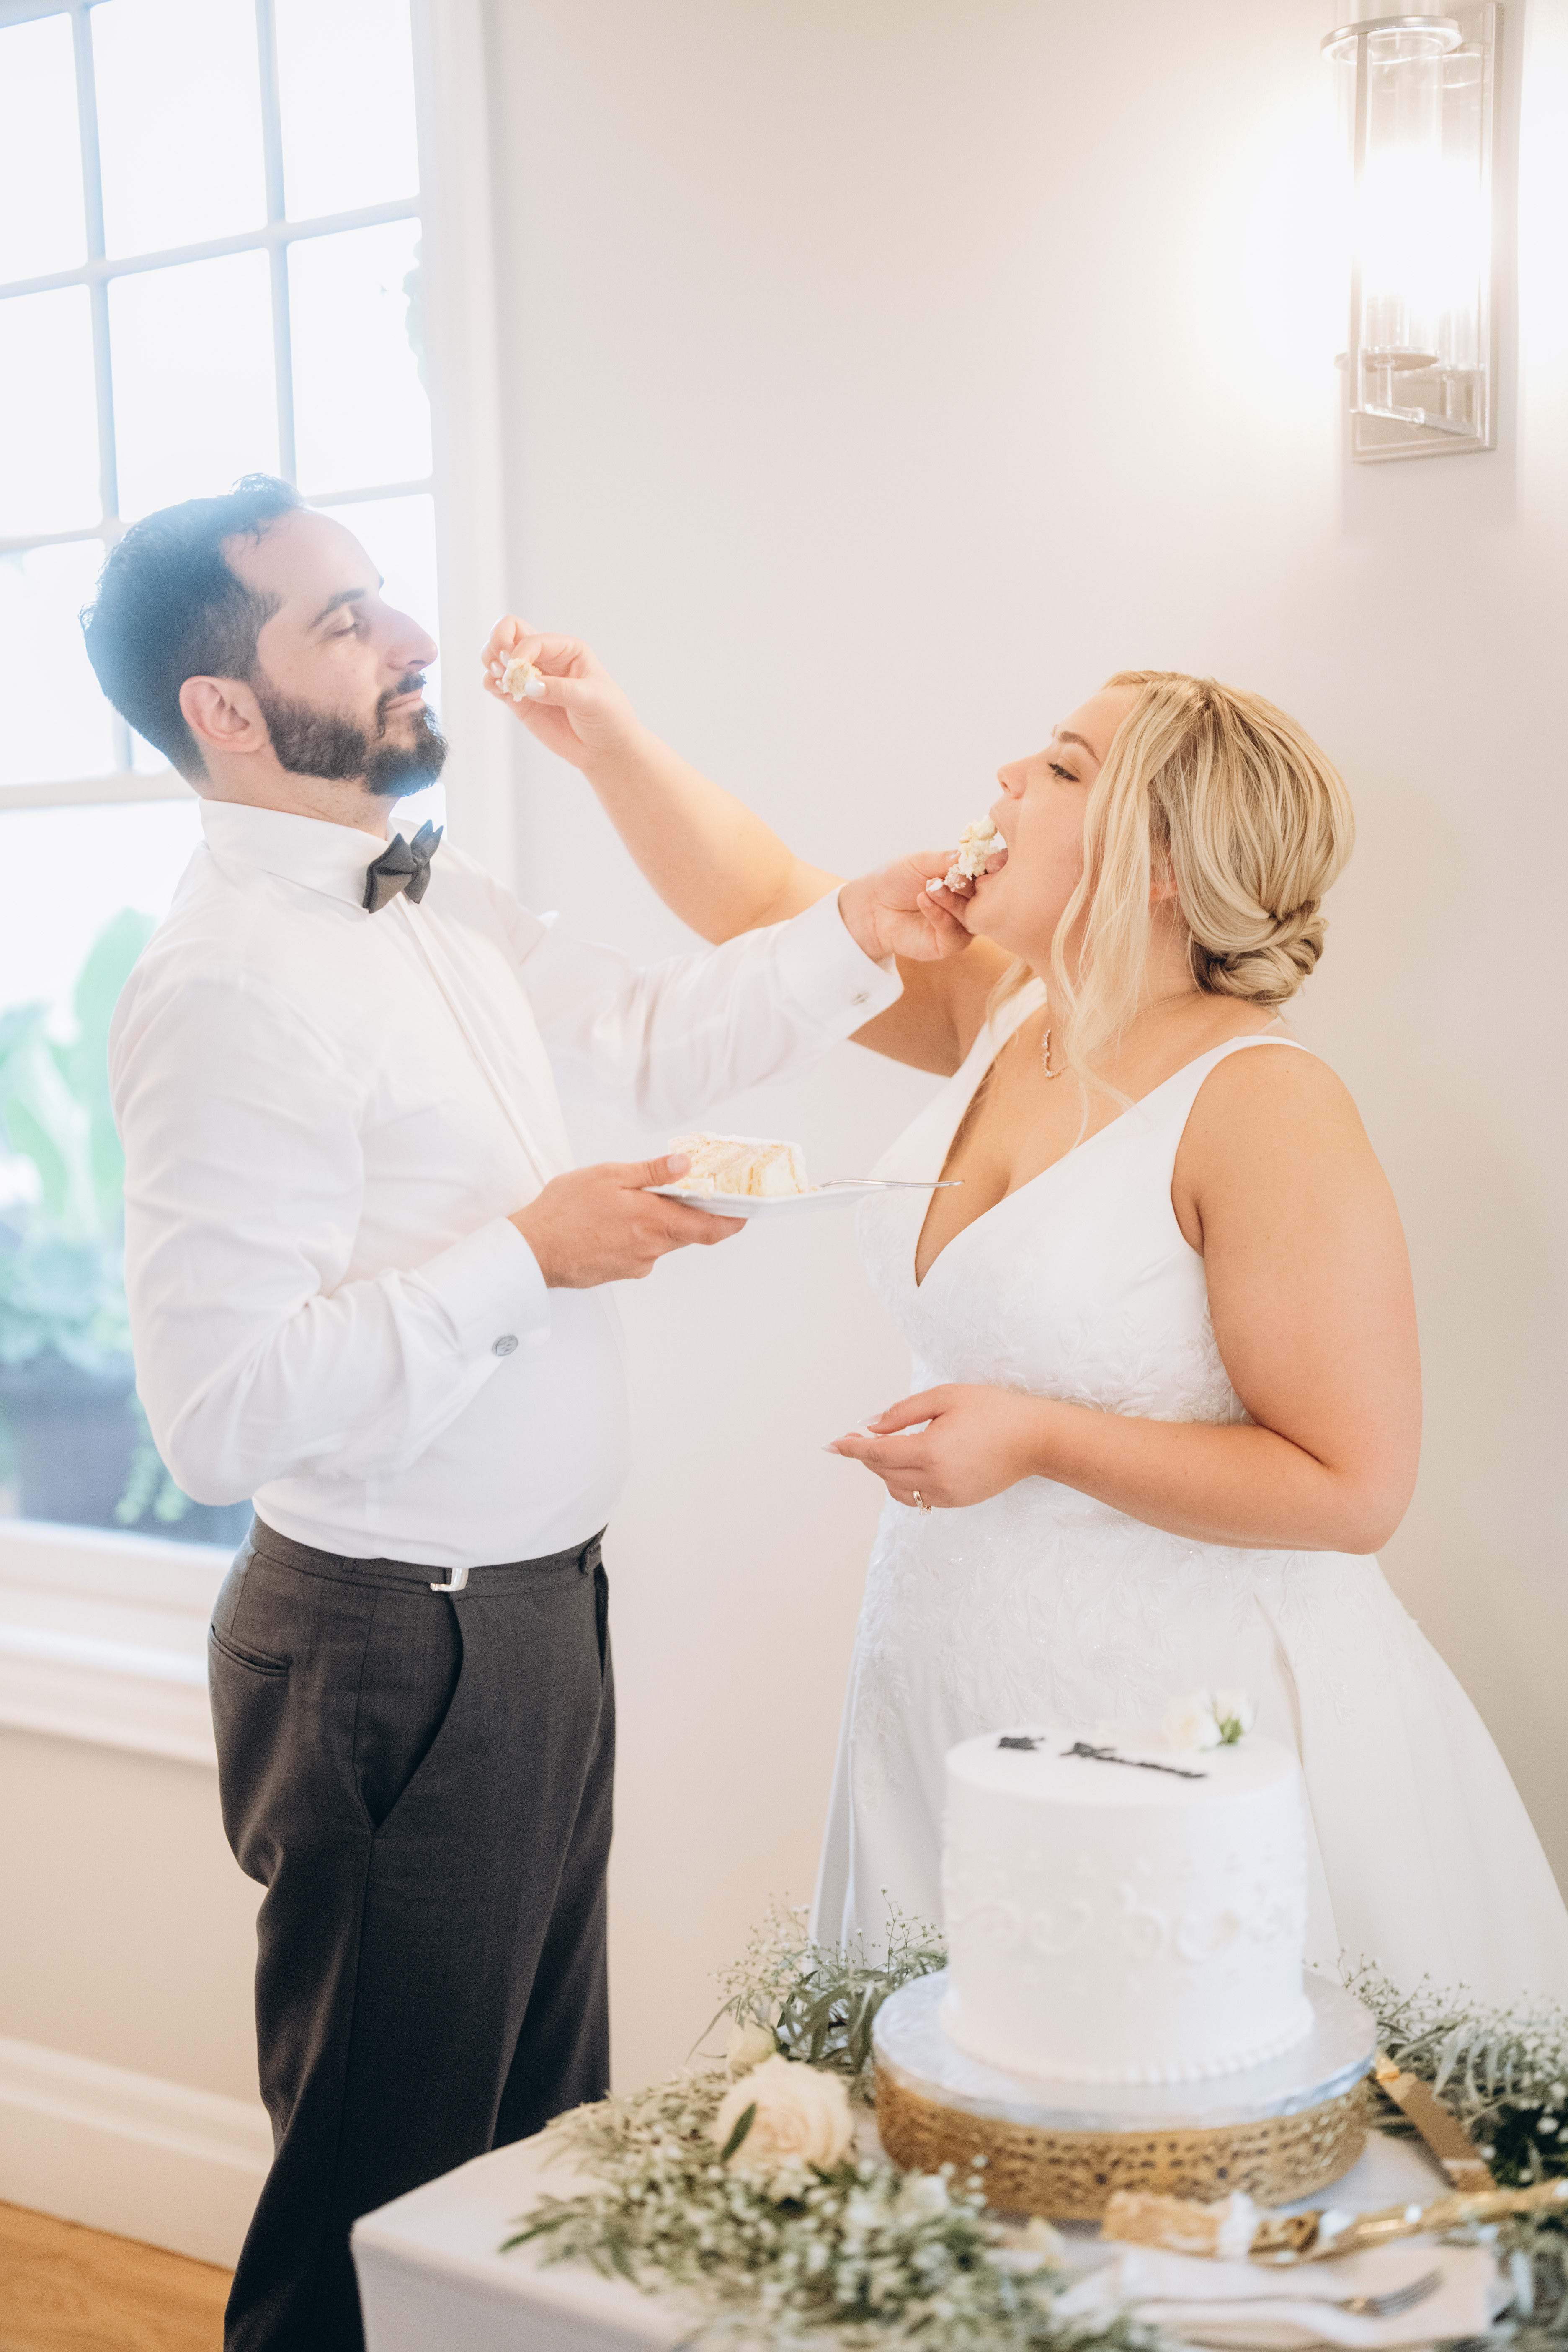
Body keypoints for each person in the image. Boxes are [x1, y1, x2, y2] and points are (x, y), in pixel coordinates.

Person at [83, 477, 959, 2352]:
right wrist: (530, 1253)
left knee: (527, 2179)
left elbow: (646, 1035)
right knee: (378, 2209)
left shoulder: (429, 890)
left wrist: (858, 928)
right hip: (394, 1649)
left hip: (539, 1612)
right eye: (343, 622)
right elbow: (219, 1417)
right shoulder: (223, 985)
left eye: (383, 597)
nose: (410, 639)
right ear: (226, 709)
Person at [481, 618, 1568, 2009]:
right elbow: (764, 901)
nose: (1004, 775)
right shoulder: (1005, 1012)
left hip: (1187, 1726)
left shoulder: (1265, 1104)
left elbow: (1356, 1487)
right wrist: (609, 745)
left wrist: (1044, 1438)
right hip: (950, 1690)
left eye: (1060, 767)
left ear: (1161, 862)